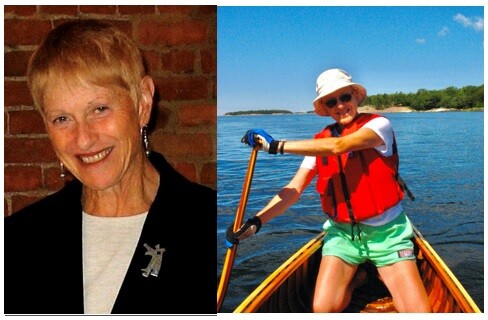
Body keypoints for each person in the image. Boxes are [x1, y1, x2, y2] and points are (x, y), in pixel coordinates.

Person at [4, 20, 216, 314]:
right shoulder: (17, 242)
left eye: (99, 109)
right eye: (62, 119)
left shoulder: (210, 224)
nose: (84, 139)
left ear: (142, 102)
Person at [227, 68, 432, 313]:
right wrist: (256, 222)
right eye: (331, 101)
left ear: (356, 97)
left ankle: (372, 270)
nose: (340, 106)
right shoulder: (319, 143)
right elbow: (293, 188)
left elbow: (340, 145)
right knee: (323, 309)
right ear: (325, 107)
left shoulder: (379, 125)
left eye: (345, 97)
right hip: (343, 235)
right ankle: (361, 278)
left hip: (386, 234)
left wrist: (276, 146)